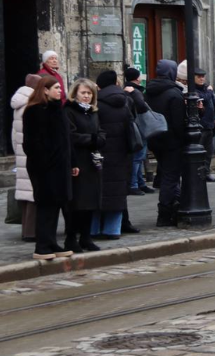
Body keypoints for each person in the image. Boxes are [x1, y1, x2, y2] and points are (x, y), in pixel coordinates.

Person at [22, 76, 74, 261]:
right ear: (45, 90)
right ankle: (42, 245)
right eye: (56, 87)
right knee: (45, 206)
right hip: (44, 169)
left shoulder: (56, 109)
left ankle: (51, 242)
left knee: (56, 205)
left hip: (60, 167)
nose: (60, 90)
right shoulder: (34, 111)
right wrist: (45, 163)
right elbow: (32, 143)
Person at [94, 71, 141, 239]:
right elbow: (132, 120)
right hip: (122, 151)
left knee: (100, 189)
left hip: (100, 150)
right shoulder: (126, 100)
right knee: (119, 188)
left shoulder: (96, 103)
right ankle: (116, 227)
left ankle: (97, 228)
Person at [65, 79, 106, 253]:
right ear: (75, 93)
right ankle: (71, 237)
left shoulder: (93, 112)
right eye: (83, 93)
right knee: (77, 203)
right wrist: (92, 139)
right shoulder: (69, 111)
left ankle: (86, 237)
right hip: (77, 161)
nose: (87, 96)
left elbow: (101, 131)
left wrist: (99, 139)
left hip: (92, 161)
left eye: (89, 93)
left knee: (91, 201)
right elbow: (71, 135)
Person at [145, 60, 186, 227]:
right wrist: (183, 139)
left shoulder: (149, 91)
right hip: (171, 142)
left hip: (154, 139)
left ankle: (173, 204)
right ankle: (165, 214)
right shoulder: (174, 94)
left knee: (167, 174)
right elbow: (178, 124)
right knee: (170, 177)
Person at [11, 74, 41, 242]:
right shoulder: (31, 105)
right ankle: (31, 232)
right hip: (31, 153)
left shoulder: (18, 103)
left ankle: (26, 229)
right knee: (33, 194)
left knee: (25, 193)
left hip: (22, 152)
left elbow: (14, 134)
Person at [124, 67, 154, 196]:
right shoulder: (134, 91)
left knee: (140, 156)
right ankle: (134, 184)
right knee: (138, 157)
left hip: (136, 125)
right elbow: (142, 107)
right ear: (137, 78)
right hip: (138, 126)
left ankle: (140, 183)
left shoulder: (127, 90)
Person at [195, 68, 215, 183]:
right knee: (199, 152)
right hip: (200, 126)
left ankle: (206, 173)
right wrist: (210, 92)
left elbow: (214, 104)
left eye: (203, 76)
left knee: (208, 152)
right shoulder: (195, 90)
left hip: (210, 125)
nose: (202, 78)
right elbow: (204, 99)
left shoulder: (207, 89)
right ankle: (198, 174)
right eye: (199, 76)